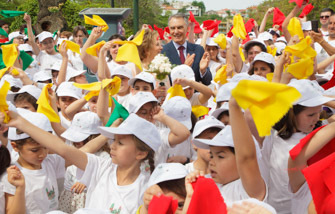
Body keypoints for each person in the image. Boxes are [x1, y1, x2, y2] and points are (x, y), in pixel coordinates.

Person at [2, 111, 160, 213]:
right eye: (114, 140)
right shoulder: (102, 167)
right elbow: (63, 149)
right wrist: (22, 123)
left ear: (141, 153)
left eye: (120, 143)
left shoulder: (145, 189)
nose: (112, 146)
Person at [250, 79, 334, 213]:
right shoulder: (272, 135)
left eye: (319, 112)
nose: (316, 118)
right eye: (311, 114)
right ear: (291, 114)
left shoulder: (320, 131)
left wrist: (321, 99)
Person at [162, 13, 212, 85]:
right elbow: (164, 82)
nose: (176, 32)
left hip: (194, 95)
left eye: (179, 28)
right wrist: (185, 68)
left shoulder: (198, 50)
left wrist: (203, 71)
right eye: (173, 28)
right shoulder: (163, 52)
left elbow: (208, 82)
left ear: (187, 28)